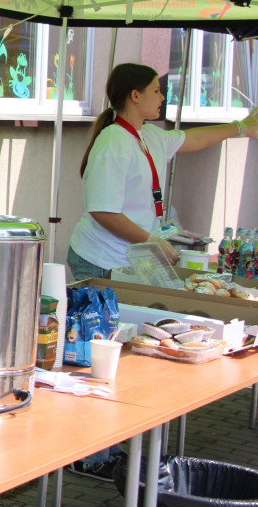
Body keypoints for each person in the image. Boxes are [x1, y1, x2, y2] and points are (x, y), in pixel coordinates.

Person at [66, 62, 258, 480]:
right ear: (134, 95)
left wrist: (241, 128)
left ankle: (111, 447)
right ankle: (91, 455)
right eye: (156, 90)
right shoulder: (113, 143)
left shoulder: (147, 135)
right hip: (98, 259)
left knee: (124, 353)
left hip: (125, 259)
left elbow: (191, 140)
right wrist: (150, 240)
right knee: (98, 356)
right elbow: (102, 210)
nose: (162, 97)